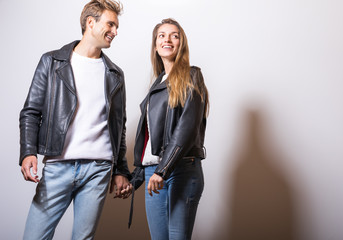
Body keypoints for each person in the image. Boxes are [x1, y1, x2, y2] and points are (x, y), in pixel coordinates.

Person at [19, 1, 132, 239]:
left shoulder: (115, 74)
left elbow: (119, 126)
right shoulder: (52, 62)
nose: (115, 31)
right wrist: (28, 152)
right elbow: (31, 111)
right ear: (91, 23)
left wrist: (121, 169)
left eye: (117, 26)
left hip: (98, 169)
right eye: (110, 24)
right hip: (58, 165)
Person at [131, 18, 209, 240]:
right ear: (155, 45)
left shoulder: (192, 76)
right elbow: (148, 138)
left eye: (174, 35)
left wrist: (162, 170)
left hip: (180, 170)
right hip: (153, 172)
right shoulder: (157, 85)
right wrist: (135, 179)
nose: (167, 39)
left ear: (181, 43)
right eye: (161, 35)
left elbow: (186, 128)